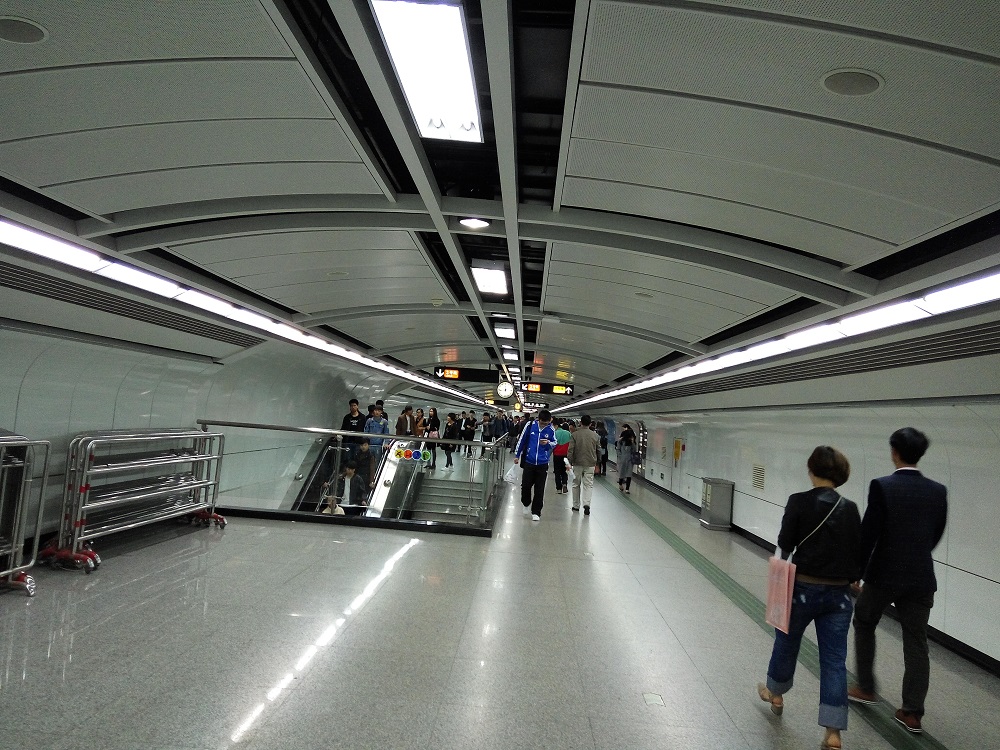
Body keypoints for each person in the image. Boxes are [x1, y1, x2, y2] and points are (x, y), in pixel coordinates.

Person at [757, 446, 861, 750]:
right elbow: (859, 549)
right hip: (839, 595)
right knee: (834, 660)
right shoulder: (851, 507)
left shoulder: (799, 502)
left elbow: (785, 542)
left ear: (811, 469)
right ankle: (833, 732)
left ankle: (775, 693)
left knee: (786, 642)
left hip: (801, 589)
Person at [848, 427, 948, 735]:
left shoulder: (882, 486)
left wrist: (857, 573)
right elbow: (935, 533)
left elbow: (869, 533)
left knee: (864, 621)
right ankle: (912, 713)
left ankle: (866, 688)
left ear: (894, 452)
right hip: (921, 577)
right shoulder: (937, 490)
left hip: (883, 574)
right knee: (916, 641)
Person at [513, 410, 556, 521]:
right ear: (538, 419)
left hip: (542, 463)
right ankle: (526, 503)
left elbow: (555, 443)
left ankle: (536, 512)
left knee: (540, 489)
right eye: (542, 423)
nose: (543, 425)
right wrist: (517, 455)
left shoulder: (551, 429)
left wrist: (548, 444)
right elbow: (522, 440)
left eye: (546, 423)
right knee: (526, 485)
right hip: (529, 461)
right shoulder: (530, 425)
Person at [568, 414, 600, 515]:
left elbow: (570, 450)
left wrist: (569, 462)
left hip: (577, 463)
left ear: (580, 423)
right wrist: (598, 463)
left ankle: (576, 505)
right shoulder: (595, 435)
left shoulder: (575, 435)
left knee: (576, 484)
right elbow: (598, 450)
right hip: (590, 463)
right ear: (590, 424)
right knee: (588, 485)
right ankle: (587, 504)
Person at [339, 398, 366, 463]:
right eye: (351, 406)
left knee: (356, 457)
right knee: (348, 457)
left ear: (357, 406)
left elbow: (364, 428)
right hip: (348, 440)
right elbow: (343, 428)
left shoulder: (362, 417)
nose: (353, 407)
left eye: (354, 405)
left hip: (358, 441)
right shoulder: (347, 417)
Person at [552, 422, 572, 494]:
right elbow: (571, 444)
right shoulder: (568, 433)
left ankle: (559, 488)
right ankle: (564, 484)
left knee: (557, 472)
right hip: (565, 455)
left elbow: (552, 445)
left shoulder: (554, 433)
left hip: (557, 455)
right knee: (564, 471)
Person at [616, 424, 636, 493]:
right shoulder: (621, 441)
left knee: (629, 474)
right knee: (622, 473)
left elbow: (634, 451)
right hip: (623, 459)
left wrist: (633, 442)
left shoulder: (631, 443)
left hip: (629, 460)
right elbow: (618, 449)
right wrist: (620, 456)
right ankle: (620, 484)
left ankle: (627, 489)